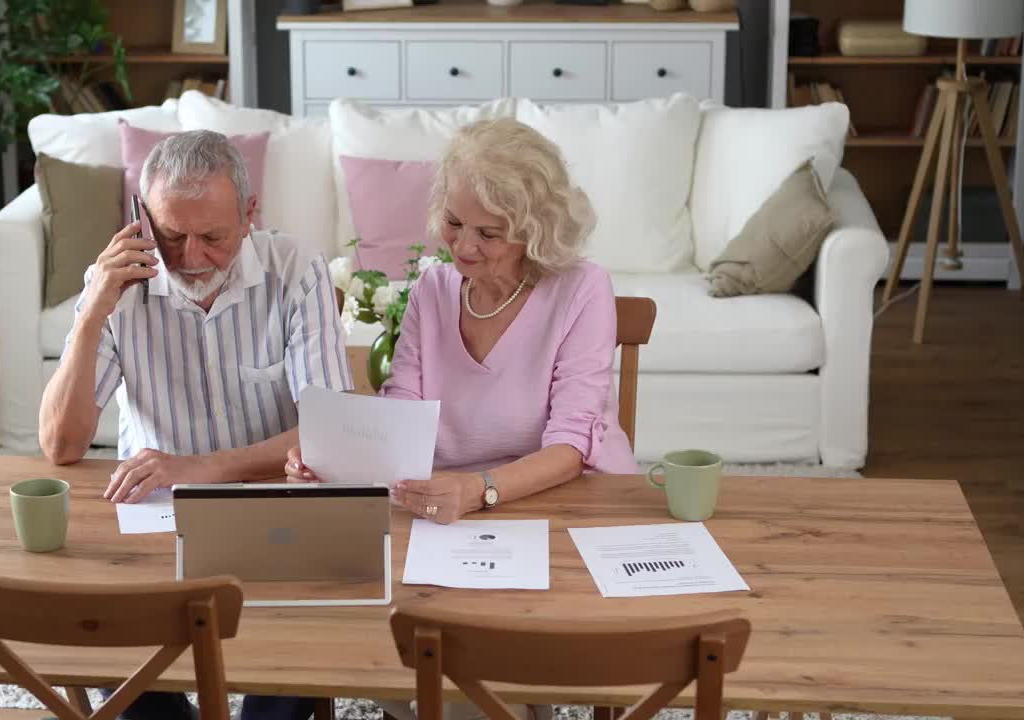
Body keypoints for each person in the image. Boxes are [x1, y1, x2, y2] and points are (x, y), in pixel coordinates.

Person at [285, 115, 636, 720]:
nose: (463, 246)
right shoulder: (433, 291)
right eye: (452, 222)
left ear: (535, 229)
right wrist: (340, 461)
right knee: (382, 647)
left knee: (486, 671)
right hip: (450, 516)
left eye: (489, 233)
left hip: (561, 505)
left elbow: (572, 445)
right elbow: (403, 414)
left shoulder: (582, 289)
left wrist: (479, 490)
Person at [40, 129, 351, 720]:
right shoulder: (117, 285)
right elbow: (60, 445)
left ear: (250, 214)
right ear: (140, 218)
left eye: (212, 237)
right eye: (169, 235)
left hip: (277, 514)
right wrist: (92, 312)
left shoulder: (296, 270)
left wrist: (198, 469)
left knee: (304, 652)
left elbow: (331, 429)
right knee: (112, 648)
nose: (189, 258)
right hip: (156, 525)